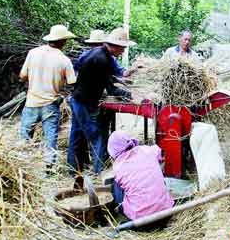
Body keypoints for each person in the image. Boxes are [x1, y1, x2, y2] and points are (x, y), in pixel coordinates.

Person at [67, 27, 134, 176]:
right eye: (122, 48)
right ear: (114, 45)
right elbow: (111, 89)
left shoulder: (96, 54)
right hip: (83, 102)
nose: (122, 51)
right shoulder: (103, 59)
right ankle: (99, 172)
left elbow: (107, 77)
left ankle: (72, 170)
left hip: (77, 98)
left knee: (76, 135)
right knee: (97, 137)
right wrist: (132, 95)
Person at [19, 24, 77, 173]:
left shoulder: (33, 53)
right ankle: (48, 168)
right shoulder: (64, 60)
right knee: (50, 138)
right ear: (63, 41)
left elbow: (22, 76)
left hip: (31, 101)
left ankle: (22, 164)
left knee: (25, 135)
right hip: (51, 104)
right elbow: (72, 83)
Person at [108, 130, 174, 223]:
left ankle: (119, 209)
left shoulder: (118, 167)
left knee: (116, 184)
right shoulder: (147, 150)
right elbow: (160, 152)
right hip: (167, 214)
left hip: (140, 222)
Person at [75, 29, 140, 78]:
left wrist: (133, 69)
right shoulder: (87, 56)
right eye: (94, 44)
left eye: (99, 44)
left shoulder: (109, 58)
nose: (96, 47)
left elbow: (121, 72)